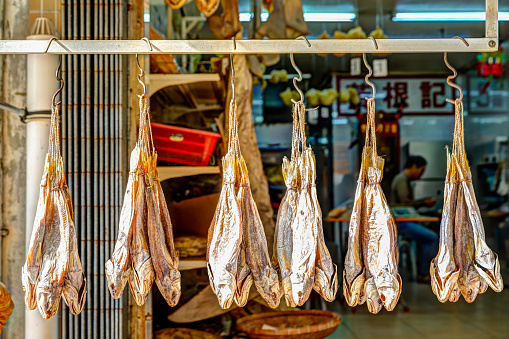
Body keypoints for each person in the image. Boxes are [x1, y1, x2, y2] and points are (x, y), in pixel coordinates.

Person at [391, 156, 438, 283]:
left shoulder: (404, 179)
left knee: (428, 234)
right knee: (432, 238)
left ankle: (422, 268)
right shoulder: (401, 180)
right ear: (413, 167)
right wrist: (424, 202)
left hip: (403, 222)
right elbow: (405, 203)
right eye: (421, 170)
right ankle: (423, 274)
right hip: (402, 224)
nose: (422, 174)